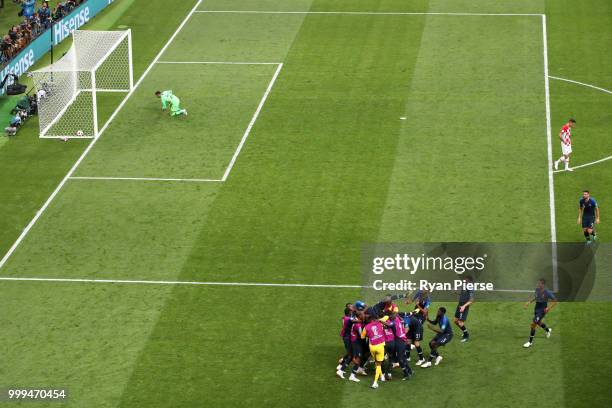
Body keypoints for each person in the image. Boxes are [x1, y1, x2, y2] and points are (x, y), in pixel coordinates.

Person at [523, 279, 556, 348]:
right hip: (536, 309)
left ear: (543, 285)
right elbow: (536, 297)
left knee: (533, 324)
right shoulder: (537, 289)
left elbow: (555, 301)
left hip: (542, 310)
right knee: (538, 322)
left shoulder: (547, 292)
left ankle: (530, 342)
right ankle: (548, 330)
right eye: (538, 283)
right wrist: (529, 302)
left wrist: (548, 308)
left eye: (539, 284)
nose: (538, 284)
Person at [361, 317, 386, 389]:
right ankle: (375, 382)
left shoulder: (366, 327)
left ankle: (382, 376)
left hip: (372, 346)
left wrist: (369, 334)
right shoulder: (379, 323)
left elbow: (362, 337)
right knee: (379, 364)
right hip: (380, 346)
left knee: (376, 362)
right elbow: (386, 319)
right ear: (373, 320)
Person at [336, 303, 357, 378]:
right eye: (351, 309)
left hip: (346, 336)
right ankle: (340, 368)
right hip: (347, 337)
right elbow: (357, 321)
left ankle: (341, 365)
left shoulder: (345, 317)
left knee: (350, 353)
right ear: (349, 312)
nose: (352, 309)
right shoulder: (349, 319)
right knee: (350, 354)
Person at [454, 275, 475, 342]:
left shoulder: (471, 287)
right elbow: (463, 293)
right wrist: (456, 292)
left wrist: (464, 306)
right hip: (460, 304)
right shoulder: (465, 285)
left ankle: (466, 335)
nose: (464, 281)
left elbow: (471, 300)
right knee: (455, 321)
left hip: (464, 306)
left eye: (465, 280)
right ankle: (464, 332)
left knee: (460, 322)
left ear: (469, 281)